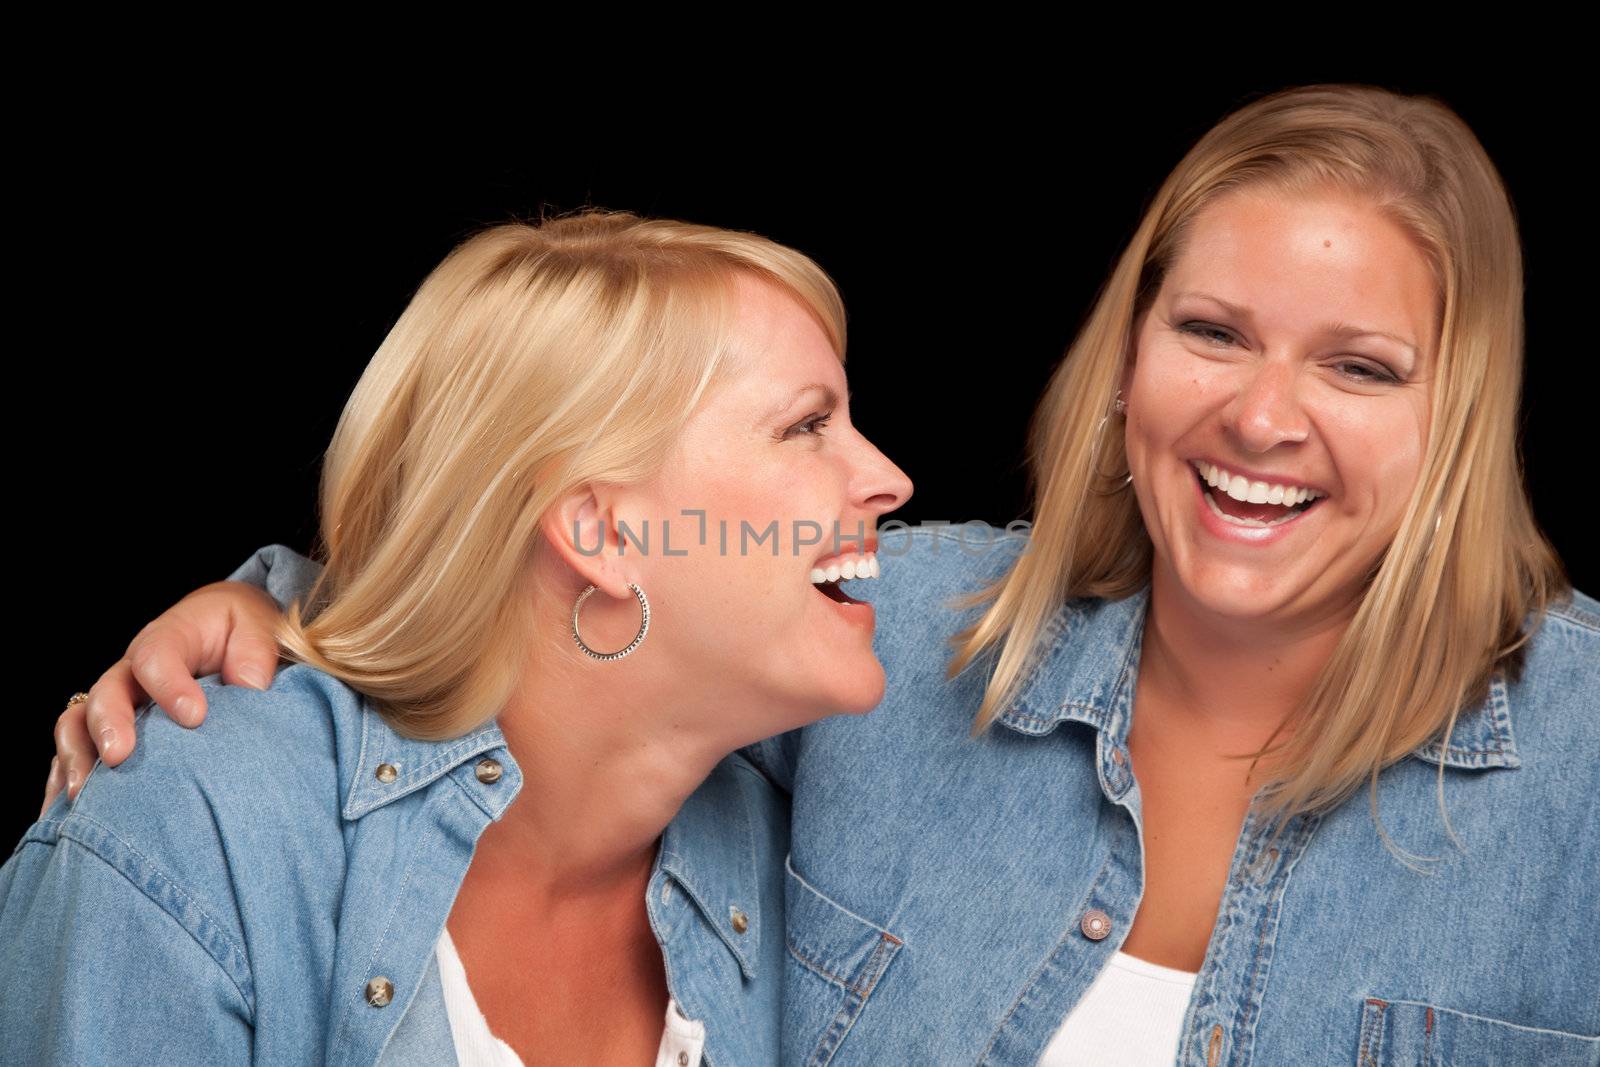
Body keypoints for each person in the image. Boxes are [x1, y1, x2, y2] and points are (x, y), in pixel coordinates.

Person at [41, 83, 1600, 1065]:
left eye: (1363, 365)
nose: (1264, 414)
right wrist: (276, 616)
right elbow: (528, 616)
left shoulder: (1585, 751)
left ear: (1458, 417)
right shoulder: (912, 636)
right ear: (1127, 362)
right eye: (1209, 331)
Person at [2, 210, 914, 1064]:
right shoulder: (199, 828)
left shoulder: (805, 866)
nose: (891, 479)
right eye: (806, 426)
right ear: (598, 530)